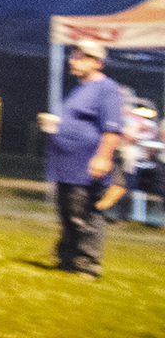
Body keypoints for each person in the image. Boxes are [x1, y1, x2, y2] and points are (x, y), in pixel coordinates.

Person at [39, 42, 123, 277]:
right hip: (66, 164)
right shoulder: (80, 88)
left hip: (86, 164)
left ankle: (88, 264)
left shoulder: (107, 89)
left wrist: (103, 157)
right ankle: (66, 260)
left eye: (80, 57)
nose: (72, 60)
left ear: (97, 62)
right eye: (73, 56)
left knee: (85, 215)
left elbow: (112, 129)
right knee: (67, 214)